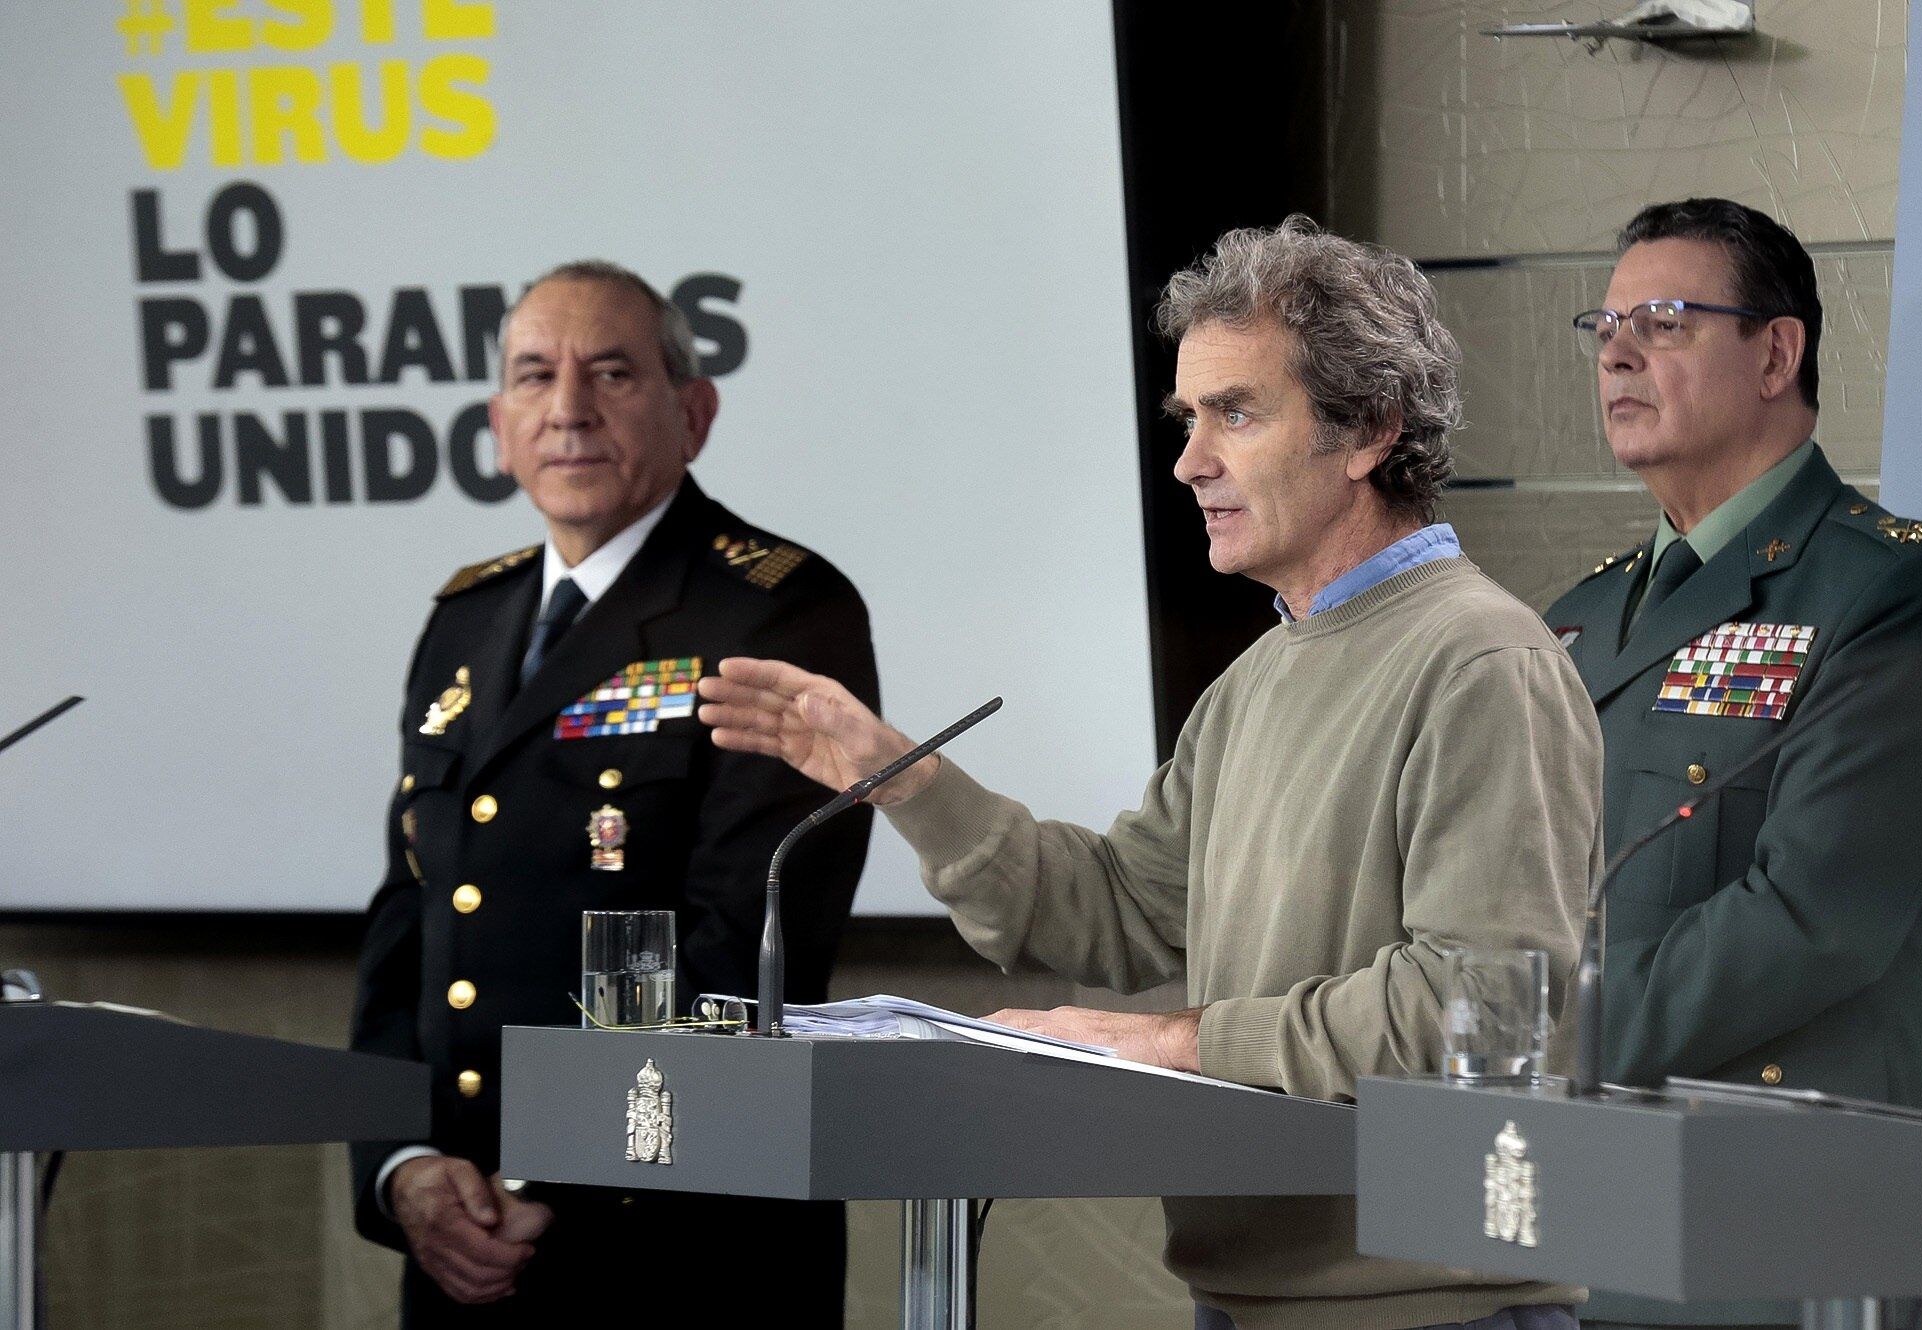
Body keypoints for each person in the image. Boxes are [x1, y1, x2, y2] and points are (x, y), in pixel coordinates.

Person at [699, 217, 1602, 1330]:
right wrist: (903, 780)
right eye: (1187, 417)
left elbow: (1475, 1002)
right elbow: (1121, 915)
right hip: (1247, 1290)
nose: (1188, 462)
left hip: (1426, 1304)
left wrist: (1179, 1040)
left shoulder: (1480, 662)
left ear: (1368, 428)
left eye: (1235, 412)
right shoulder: (1261, 673)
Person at [349, 261, 878, 1325]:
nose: (569, 409)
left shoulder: (775, 611)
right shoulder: (466, 617)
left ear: (695, 410)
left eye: (611, 373)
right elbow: (411, 918)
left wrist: (550, 1177)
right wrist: (401, 1162)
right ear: (498, 422)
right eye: (534, 376)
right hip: (458, 1240)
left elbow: (741, 946)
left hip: (676, 1247)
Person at [1544, 198, 1922, 1328]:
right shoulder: (1581, 615)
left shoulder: (1881, 590)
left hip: (1776, 1213)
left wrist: (1538, 1035)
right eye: (1603, 322)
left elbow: (1813, 916)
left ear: (1774, 352)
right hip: (1573, 1203)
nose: (1614, 348)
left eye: (1660, 319)